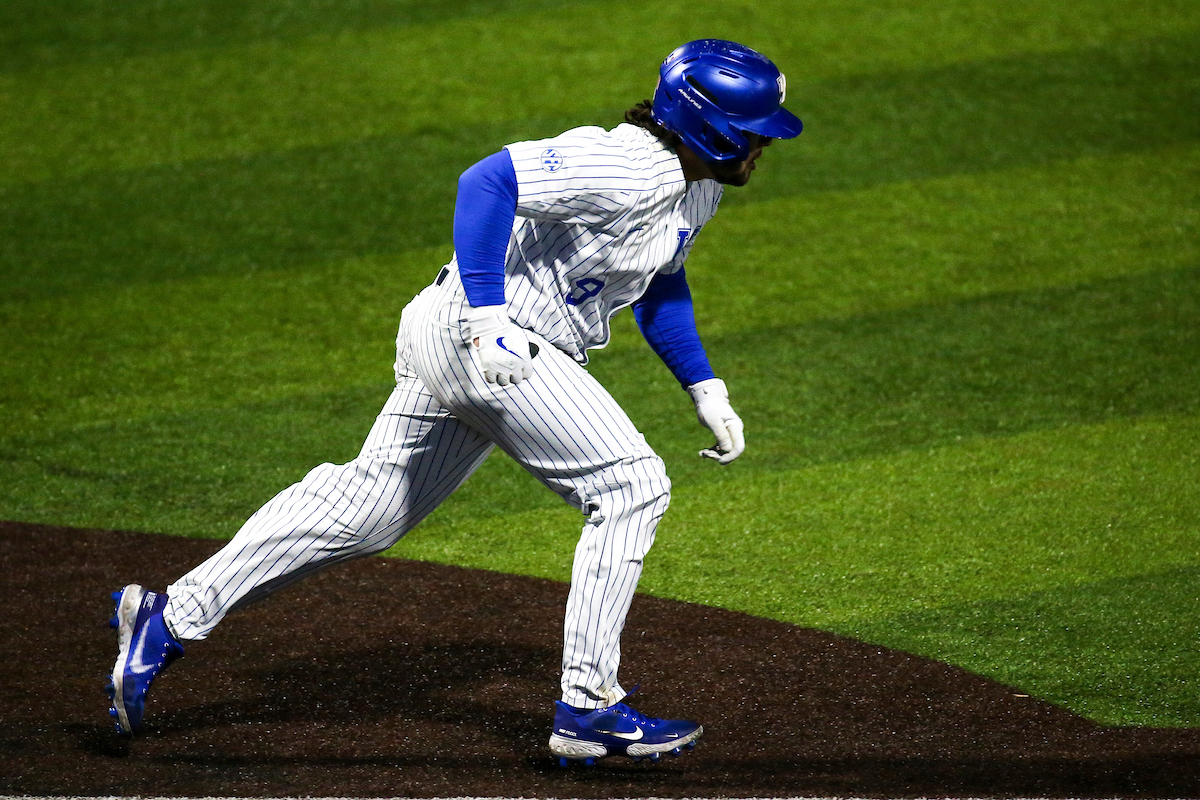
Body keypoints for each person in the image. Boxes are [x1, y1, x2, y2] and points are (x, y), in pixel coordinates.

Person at [105, 38, 803, 766]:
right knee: (632, 487)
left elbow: (660, 281)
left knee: (368, 510)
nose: (764, 147)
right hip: (486, 337)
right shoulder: (625, 163)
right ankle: (590, 709)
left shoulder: (699, 185)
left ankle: (168, 617)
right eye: (756, 132)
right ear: (712, 128)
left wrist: (703, 384)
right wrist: (489, 317)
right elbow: (488, 181)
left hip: (486, 344)